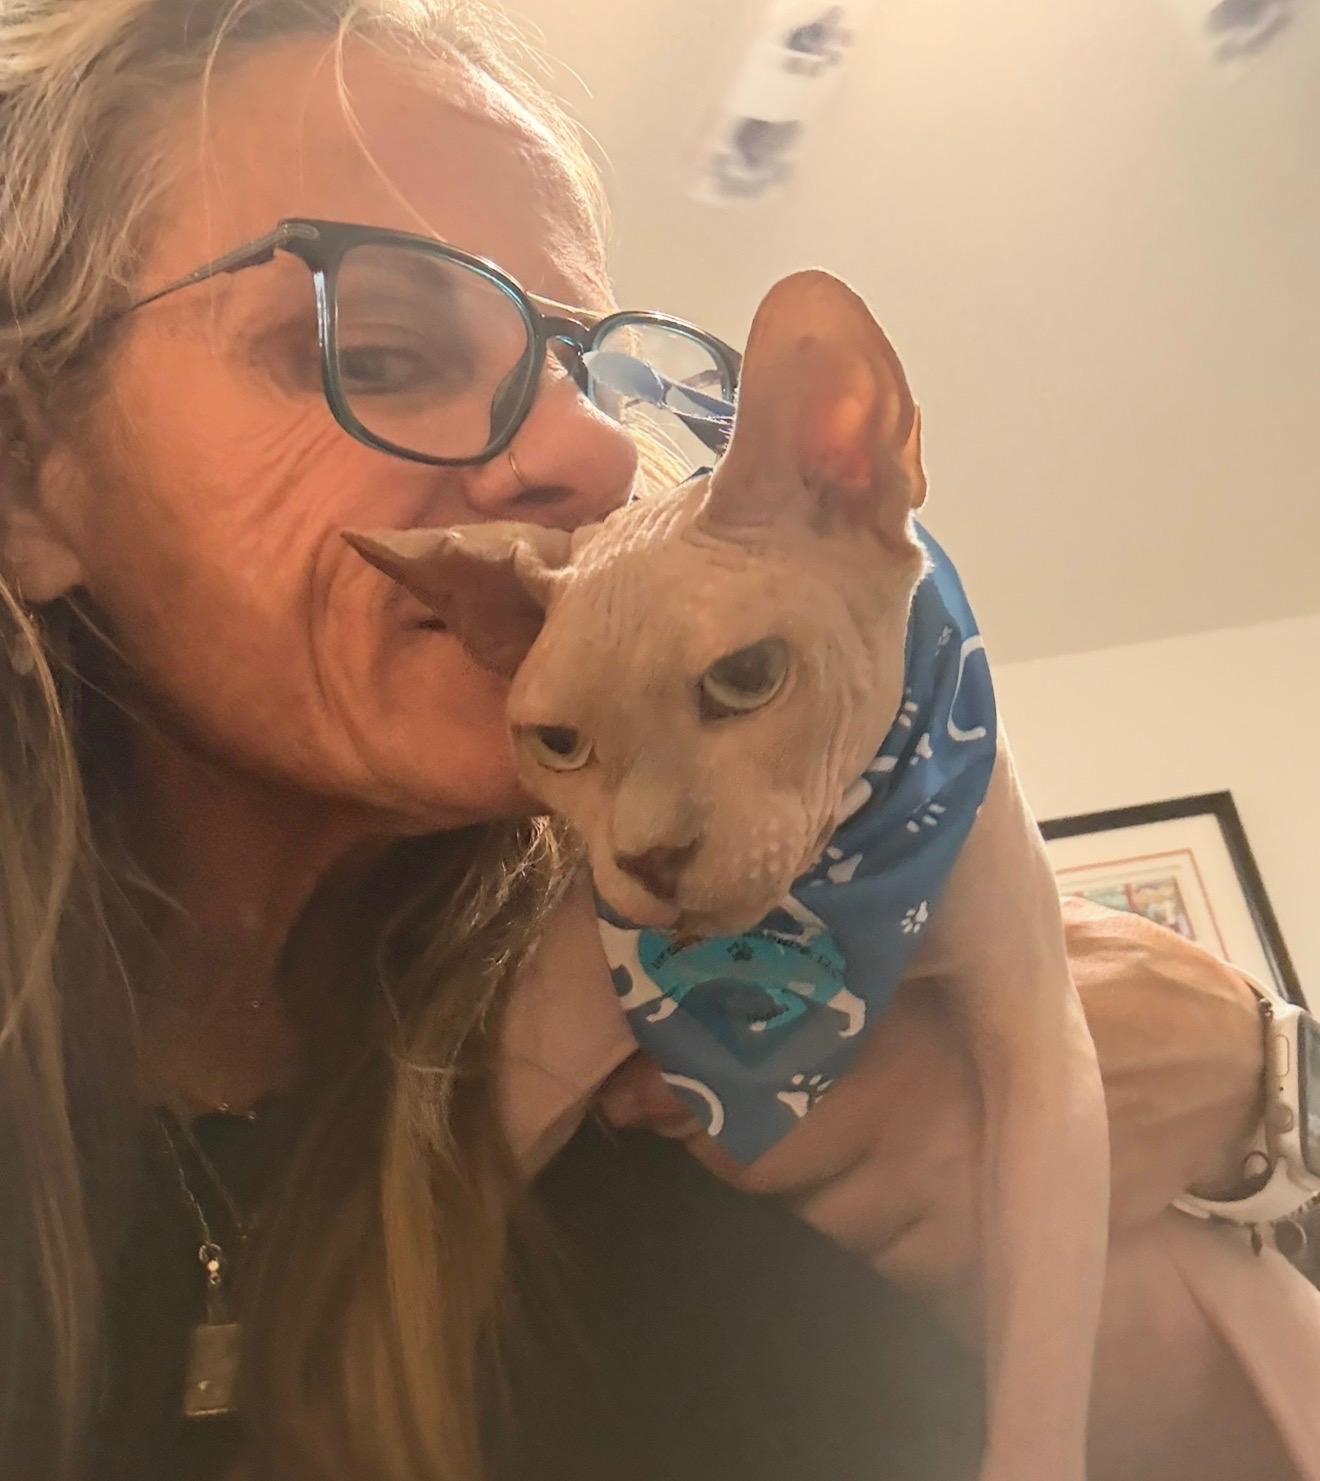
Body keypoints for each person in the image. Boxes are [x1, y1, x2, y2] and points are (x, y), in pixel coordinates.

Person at [0, 3, 1305, 1479]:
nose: (600, 450)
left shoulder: (734, 1026)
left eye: (582, 366)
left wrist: (1281, 1096)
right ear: (28, 473)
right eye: (380, 343)